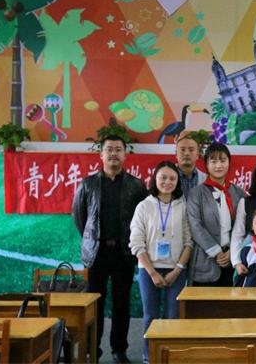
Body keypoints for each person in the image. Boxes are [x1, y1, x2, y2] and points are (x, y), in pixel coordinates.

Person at [72, 135, 147, 363]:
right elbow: (79, 217)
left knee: (121, 303)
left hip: (124, 253)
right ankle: (92, 349)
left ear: (125, 154)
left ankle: (119, 349)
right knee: (95, 303)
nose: (113, 154)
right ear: (101, 154)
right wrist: (93, 240)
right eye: (109, 150)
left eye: (118, 149)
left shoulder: (136, 185)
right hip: (97, 253)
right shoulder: (88, 184)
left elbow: (142, 218)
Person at [129, 161, 193, 364]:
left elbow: (189, 242)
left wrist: (177, 270)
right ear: (155, 179)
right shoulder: (144, 206)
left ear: (177, 182)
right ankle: (149, 358)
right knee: (151, 316)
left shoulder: (182, 206)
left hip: (176, 269)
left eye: (172, 178)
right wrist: (152, 273)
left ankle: (171, 357)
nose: (167, 182)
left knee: (174, 315)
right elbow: (136, 243)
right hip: (149, 269)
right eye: (163, 177)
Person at [186, 142, 245, 286]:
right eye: (213, 161)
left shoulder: (239, 192)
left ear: (229, 163)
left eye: (223, 160)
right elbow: (195, 226)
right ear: (206, 164)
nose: (218, 165)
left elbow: (245, 225)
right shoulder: (196, 193)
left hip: (234, 261)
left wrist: (233, 250)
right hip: (205, 262)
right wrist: (216, 252)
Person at [175, 131, 206, 198]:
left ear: (198, 155)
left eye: (191, 150)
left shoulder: (206, 179)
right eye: (182, 150)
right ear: (176, 154)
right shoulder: (164, 177)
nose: (187, 153)